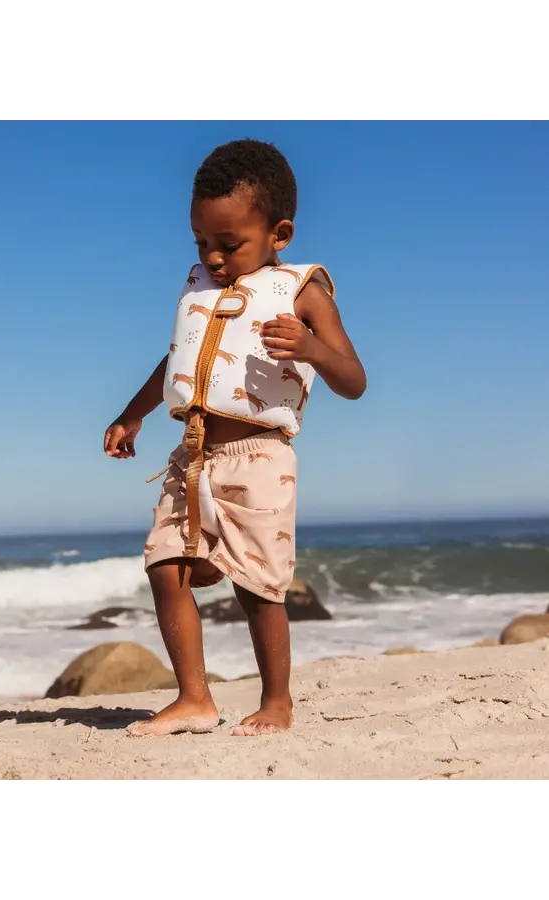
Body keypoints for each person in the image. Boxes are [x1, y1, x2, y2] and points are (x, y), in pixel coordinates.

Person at [103, 138, 366, 737]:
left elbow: (354, 381)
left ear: (280, 234)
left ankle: (277, 702)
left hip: (259, 457)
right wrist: (132, 415)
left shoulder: (301, 291)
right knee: (165, 566)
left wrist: (311, 348)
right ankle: (194, 698)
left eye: (229, 243)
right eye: (201, 242)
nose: (213, 257)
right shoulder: (199, 286)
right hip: (192, 453)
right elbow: (176, 361)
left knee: (258, 585)